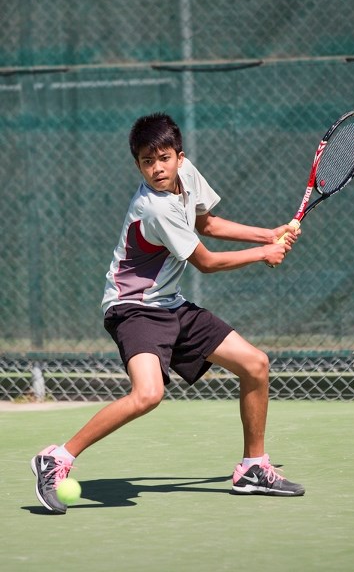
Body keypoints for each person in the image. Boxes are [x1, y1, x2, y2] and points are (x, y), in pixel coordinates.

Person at [31, 112, 305, 514]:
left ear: (180, 156)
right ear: (137, 164)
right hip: (133, 308)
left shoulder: (187, 175)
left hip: (170, 304)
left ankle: (253, 469)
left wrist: (268, 233)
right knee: (148, 394)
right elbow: (207, 262)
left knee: (255, 365)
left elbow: (206, 222)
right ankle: (56, 458)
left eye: (163, 158)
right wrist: (264, 252)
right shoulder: (154, 208)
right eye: (146, 161)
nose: (157, 168)